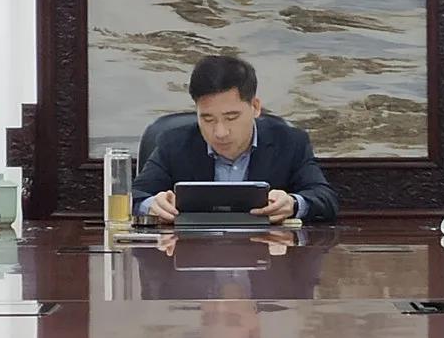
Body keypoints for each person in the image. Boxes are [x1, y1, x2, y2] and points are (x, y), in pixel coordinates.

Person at [132, 55, 339, 223]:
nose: (220, 132)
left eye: (231, 117)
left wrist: (293, 204)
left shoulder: (289, 142)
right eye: (207, 119)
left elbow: (325, 198)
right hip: (191, 253)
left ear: (255, 107)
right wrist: (151, 205)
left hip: (267, 255)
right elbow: (134, 196)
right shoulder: (173, 143)